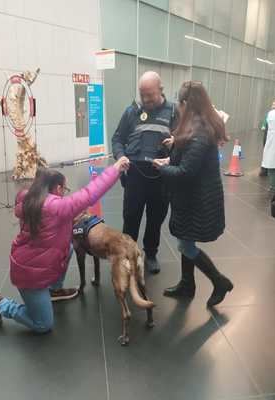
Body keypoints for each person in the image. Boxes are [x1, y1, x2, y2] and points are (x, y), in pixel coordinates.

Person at [0, 157, 129, 333]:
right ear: (57, 188)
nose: (65, 192)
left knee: (68, 248)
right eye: (64, 188)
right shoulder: (55, 207)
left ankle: (53, 290)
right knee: (43, 325)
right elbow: (90, 193)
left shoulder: (30, 198)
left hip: (28, 261)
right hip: (31, 276)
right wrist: (115, 168)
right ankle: (1, 304)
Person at [153, 81, 233, 307]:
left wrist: (162, 167)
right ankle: (187, 284)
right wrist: (171, 155)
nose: (177, 107)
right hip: (193, 197)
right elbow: (187, 156)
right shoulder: (197, 124)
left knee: (186, 245)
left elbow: (186, 172)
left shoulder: (200, 131)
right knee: (183, 237)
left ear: (187, 103)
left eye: (179, 102)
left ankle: (220, 282)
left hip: (198, 199)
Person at [112, 71, 177, 274]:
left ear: (161, 89)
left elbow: (186, 140)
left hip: (161, 177)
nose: (146, 99)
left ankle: (151, 253)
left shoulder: (175, 111)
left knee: (155, 219)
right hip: (135, 175)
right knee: (130, 218)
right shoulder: (131, 111)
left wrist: (176, 143)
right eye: (143, 95)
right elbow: (117, 139)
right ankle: (127, 256)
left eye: (150, 94)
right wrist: (120, 155)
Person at [261, 102, 275, 193]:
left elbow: (265, 127)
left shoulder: (270, 114)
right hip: (272, 139)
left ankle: (273, 186)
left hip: (271, 140)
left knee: (272, 163)